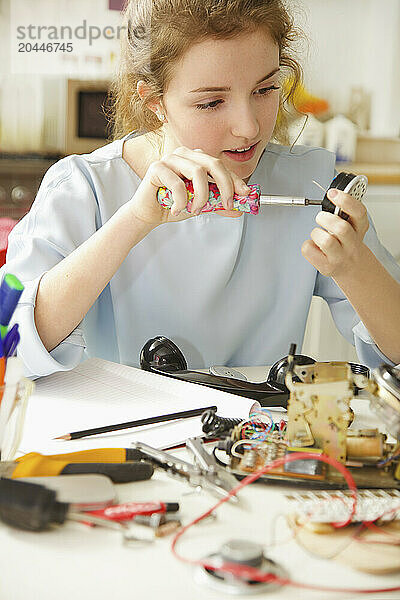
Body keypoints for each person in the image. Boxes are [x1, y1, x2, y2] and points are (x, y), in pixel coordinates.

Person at [2, 0, 400, 379]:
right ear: (155, 101)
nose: (249, 127)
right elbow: (11, 343)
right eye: (211, 103)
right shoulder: (84, 187)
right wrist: (134, 221)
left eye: (264, 90)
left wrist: (355, 267)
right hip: (120, 442)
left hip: (256, 442)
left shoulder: (310, 184)